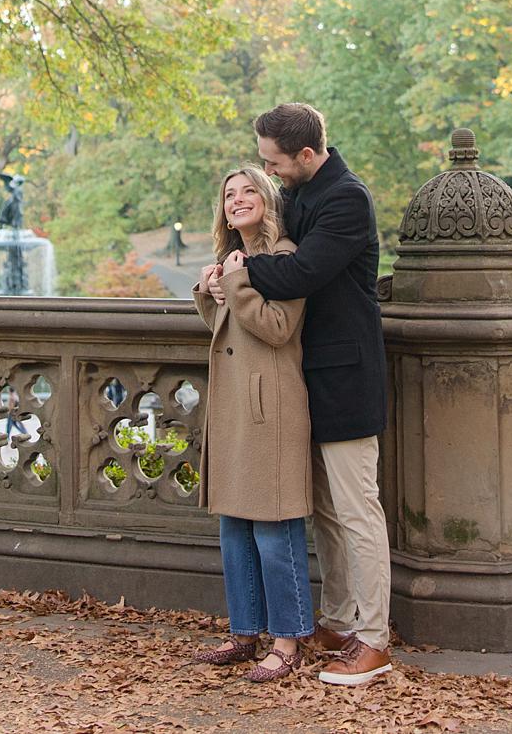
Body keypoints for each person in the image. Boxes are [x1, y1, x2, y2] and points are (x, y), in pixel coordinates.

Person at [210, 102, 390, 686]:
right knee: (330, 514)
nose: (271, 173)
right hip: (302, 381)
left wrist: (236, 271)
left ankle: (374, 639)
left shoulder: (345, 198)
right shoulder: (302, 195)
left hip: (344, 375)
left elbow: (297, 276)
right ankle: (337, 621)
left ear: (307, 155)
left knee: (358, 510)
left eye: (276, 163)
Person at [189, 165, 313, 683]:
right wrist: (210, 292)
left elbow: (279, 328)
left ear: (266, 198)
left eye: (247, 192)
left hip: (272, 407)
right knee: (234, 526)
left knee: (273, 525)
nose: (237, 200)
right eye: (228, 195)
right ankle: (244, 632)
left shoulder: (285, 257)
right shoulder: (233, 260)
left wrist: (237, 284)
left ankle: (289, 639)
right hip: (235, 406)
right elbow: (233, 327)